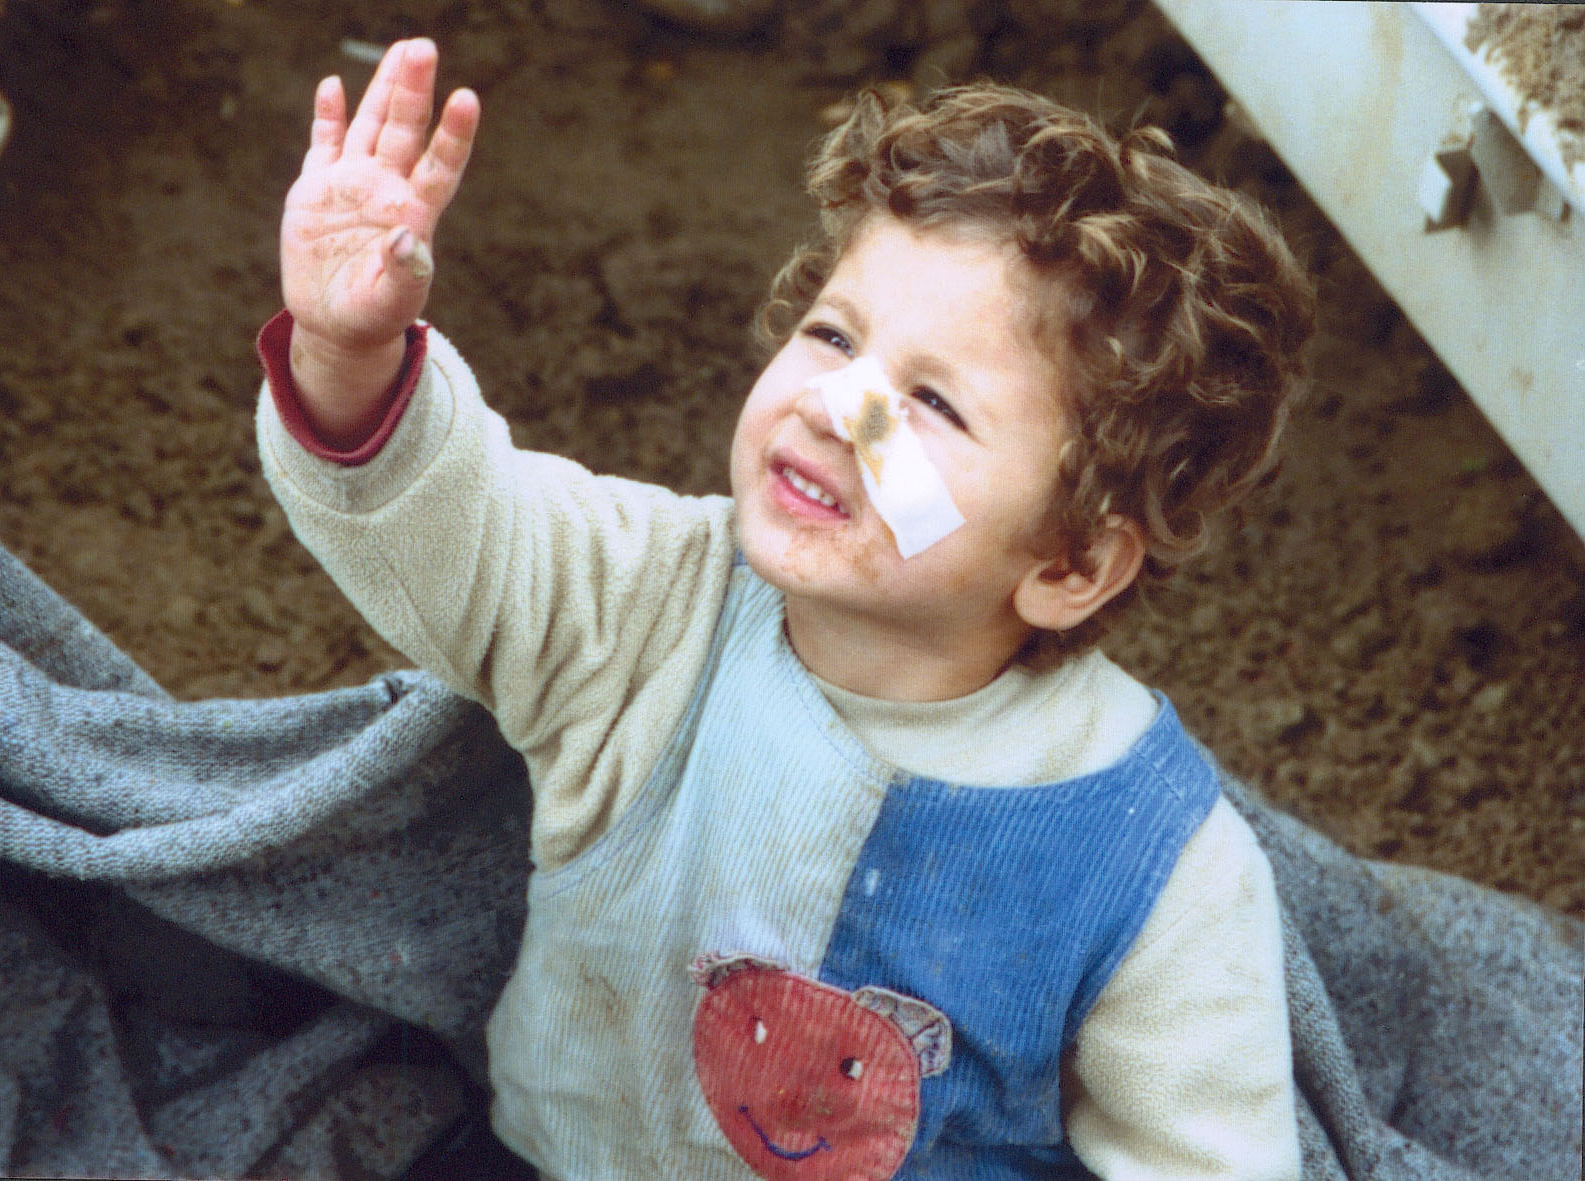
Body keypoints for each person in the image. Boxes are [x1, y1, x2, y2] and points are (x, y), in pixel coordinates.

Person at [255, 37, 1315, 1179]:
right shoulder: (647, 601)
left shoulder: (1153, 862)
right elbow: (446, 523)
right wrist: (348, 352)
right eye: (833, 335)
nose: (835, 406)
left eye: (931, 403)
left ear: (1070, 563)